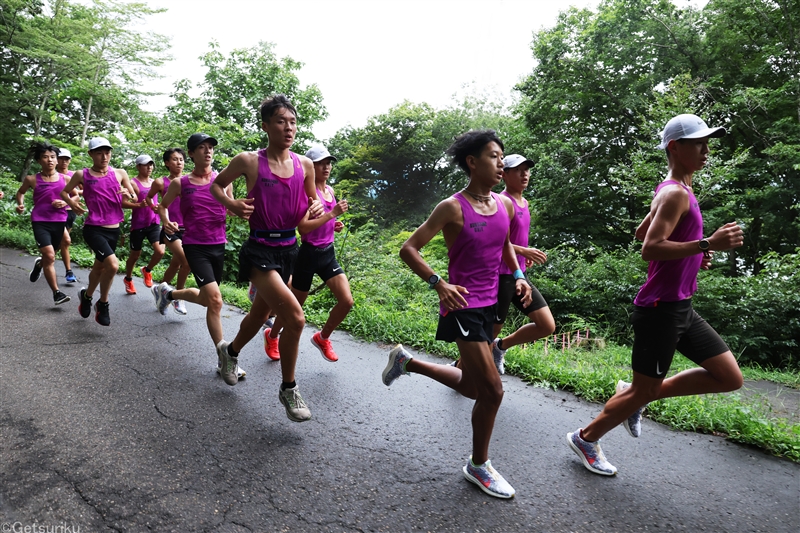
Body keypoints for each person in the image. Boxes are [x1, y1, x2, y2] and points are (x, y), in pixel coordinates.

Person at [566, 113, 745, 476]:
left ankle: (635, 393)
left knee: (730, 377)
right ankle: (585, 437)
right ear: (676, 148)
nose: (706, 151)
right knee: (643, 389)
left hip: (681, 306)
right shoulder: (676, 192)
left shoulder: (675, 189)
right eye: (699, 144)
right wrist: (706, 242)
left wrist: (695, 252)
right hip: (660, 309)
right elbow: (649, 248)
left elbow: (640, 231)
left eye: (707, 143)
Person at [382, 130, 532, 499]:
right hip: (461, 306)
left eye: (502, 157)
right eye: (494, 157)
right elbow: (409, 249)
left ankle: (407, 362)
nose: (501, 163)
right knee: (493, 390)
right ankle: (479, 466)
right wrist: (438, 283)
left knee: (470, 387)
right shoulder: (452, 207)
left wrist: (518, 276)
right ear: (472, 162)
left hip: (490, 304)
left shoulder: (505, 206)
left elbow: (505, 247)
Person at [210, 94, 321, 423]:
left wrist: (319, 209)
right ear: (266, 126)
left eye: (293, 122)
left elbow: (312, 204)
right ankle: (289, 388)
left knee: (260, 315)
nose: (289, 128)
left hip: (290, 249)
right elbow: (218, 185)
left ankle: (229, 353)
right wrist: (232, 206)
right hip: (259, 250)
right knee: (296, 319)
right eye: (281, 122)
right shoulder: (248, 161)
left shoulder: (305, 165)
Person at [151, 133, 246, 381]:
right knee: (215, 300)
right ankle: (225, 358)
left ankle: (168, 293)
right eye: (201, 148)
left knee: (206, 299)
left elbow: (232, 209)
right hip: (195, 245)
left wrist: (243, 209)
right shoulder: (181, 184)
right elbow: (162, 205)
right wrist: (166, 221)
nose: (208, 151)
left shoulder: (223, 181)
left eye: (211, 147)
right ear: (191, 154)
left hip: (218, 245)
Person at [265, 145, 352, 363]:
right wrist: (332, 213)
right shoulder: (305, 194)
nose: (327, 167)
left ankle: (323, 338)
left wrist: (334, 224)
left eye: (329, 163)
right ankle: (272, 335)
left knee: (346, 301)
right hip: (308, 255)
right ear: (310, 167)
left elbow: (324, 221)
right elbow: (303, 228)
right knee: (295, 308)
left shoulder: (329, 191)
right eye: (321, 163)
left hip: (327, 253)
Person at [487, 154, 555, 373]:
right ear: (504, 174)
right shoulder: (501, 202)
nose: (524, 174)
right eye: (518, 170)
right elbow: (493, 241)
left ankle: (500, 348)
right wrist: (523, 251)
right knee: (490, 332)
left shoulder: (524, 203)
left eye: (527, 169)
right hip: (500, 276)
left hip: (518, 275)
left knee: (546, 325)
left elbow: (514, 239)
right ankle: (459, 368)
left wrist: (523, 257)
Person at [61, 137, 135, 326]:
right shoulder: (82, 175)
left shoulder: (120, 173)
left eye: (107, 152)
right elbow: (64, 192)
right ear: (91, 154)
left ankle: (86, 297)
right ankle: (103, 304)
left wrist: (130, 194)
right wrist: (72, 204)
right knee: (113, 265)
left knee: (100, 267)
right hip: (93, 229)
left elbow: (133, 195)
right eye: (99, 152)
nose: (104, 156)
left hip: (114, 229)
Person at [15, 142, 71, 306]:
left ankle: (39, 265)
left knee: (49, 257)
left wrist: (64, 202)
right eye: (45, 157)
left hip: (59, 221)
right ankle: (57, 293)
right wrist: (20, 204)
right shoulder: (32, 179)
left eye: (53, 157)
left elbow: (76, 197)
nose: (50, 160)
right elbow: (21, 192)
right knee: (50, 256)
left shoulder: (65, 179)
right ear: (39, 160)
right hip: (40, 221)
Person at [146, 148, 190, 315]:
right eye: (174, 159)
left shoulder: (188, 181)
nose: (179, 162)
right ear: (166, 163)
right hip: (170, 228)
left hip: (188, 229)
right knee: (186, 261)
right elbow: (149, 197)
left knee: (177, 263)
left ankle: (161, 291)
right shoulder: (160, 182)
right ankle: (179, 297)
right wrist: (154, 207)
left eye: (181, 159)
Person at [121, 154, 165, 295]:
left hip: (153, 223)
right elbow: (123, 203)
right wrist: (139, 205)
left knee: (160, 251)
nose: (149, 167)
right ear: (138, 166)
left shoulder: (155, 183)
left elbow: (165, 200)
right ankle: (128, 279)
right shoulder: (133, 183)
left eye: (151, 164)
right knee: (135, 255)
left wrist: (160, 207)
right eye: (146, 164)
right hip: (138, 224)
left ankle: (147, 270)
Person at [55, 148, 79, 284]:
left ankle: (44, 260)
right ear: (56, 160)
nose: (64, 161)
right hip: (56, 213)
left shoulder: (73, 175)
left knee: (62, 242)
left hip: (70, 212)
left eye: (67, 159)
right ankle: (69, 272)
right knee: (66, 241)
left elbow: (81, 192)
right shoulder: (51, 175)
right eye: (61, 158)